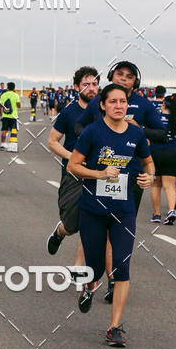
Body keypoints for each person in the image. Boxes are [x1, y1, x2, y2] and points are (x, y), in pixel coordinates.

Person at [67, 83, 154, 347]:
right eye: (113, 101)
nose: (119, 106)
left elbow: (148, 162)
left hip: (123, 211)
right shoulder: (93, 132)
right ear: (103, 105)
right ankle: (90, 285)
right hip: (93, 210)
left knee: (121, 267)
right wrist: (99, 174)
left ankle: (114, 327)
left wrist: (149, 177)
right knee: (94, 267)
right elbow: (73, 165)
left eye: (123, 101)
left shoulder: (136, 134)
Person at [46, 67, 100, 265]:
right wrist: (72, 157)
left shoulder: (105, 111)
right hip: (74, 175)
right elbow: (52, 142)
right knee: (71, 225)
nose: (91, 88)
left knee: (91, 222)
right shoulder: (69, 112)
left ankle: (78, 268)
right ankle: (60, 232)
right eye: (86, 84)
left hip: (99, 174)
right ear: (77, 87)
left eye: (95, 84)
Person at [149, 95, 176, 224]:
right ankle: (171, 211)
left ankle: (157, 214)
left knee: (156, 185)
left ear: (163, 105)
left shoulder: (155, 118)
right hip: (172, 153)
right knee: (169, 186)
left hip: (156, 152)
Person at [0, 81, 21, 148]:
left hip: (5, 116)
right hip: (13, 116)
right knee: (13, 130)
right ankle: (12, 145)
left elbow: (0, 105)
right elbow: (19, 105)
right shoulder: (16, 95)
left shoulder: (3, 95)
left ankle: (2, 144)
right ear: (14, 88)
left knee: (4, 130)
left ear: (7, 88)